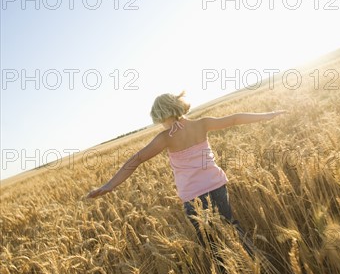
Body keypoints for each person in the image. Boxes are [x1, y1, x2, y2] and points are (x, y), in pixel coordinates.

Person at [86, 91, 288, 260]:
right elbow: (235, 119)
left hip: (193, 197)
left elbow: (135, 160)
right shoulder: (202, 123)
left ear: (159, 115)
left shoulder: (166, 138)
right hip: (217, 185)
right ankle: (255, 264)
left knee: (211, 242)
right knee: (232, 226)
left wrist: (108, 186)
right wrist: (267, 114)